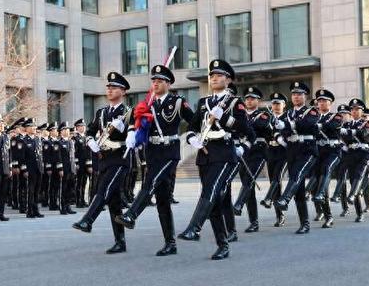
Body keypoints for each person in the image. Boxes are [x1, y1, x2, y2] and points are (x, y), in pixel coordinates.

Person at [114, 64, 194, 256]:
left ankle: (132, 214)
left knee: (149, 182)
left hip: (170, 151)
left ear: (168, 84)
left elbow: (195, 120)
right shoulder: (147, 104)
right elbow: (137, 122)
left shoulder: (178, 102)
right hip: (152, 152)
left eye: (160, 81)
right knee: (162, 200)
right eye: (154, 81)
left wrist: (192, 136)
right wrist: (133, 133)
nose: (155, 84)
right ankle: (170, 243)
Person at [177, 60, 250, 260]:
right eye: (211, 76)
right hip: (206, 155)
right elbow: (191, 126)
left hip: (225, 154)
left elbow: (246, 129)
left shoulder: (235, 103)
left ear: (228, 79)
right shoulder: (203, 103)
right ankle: (223, 244)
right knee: (215, 201)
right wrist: (193, 139)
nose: (214, 78)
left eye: (219, 75)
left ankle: (194, 228)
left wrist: (225, 118)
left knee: (211, 191)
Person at [72, 72, 135, 254]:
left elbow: (135, 133)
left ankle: (88, 220)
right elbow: (90, 131)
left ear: (123, 91)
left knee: (103, 189)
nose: (109, 90)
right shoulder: (101, 113)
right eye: (108, 87)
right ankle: (120, 242)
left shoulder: (129, 112)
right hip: (104, 160)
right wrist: (91, 141)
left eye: (114, 87)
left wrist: (125, 130)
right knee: (114, 203)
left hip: (120, 159)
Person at [275, 82, 320, 234]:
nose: (296, 97)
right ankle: (304, 223)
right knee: (299, 189)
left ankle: (284, 199)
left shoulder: (312, 111)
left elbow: (307, 124)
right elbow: (284, 131)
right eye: (294, 94)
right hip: (293, 151)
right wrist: (281, 134)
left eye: (299, 94)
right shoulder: (287, 113)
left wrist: (286, 125)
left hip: (307, 149)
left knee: (297, 174)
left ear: (305, 96)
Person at [232, 86, 271, 233]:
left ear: (258, 101)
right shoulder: (240, 115)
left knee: (249, 181)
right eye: (247, 98)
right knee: (248, 187)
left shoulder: (263, 114)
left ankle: (238, 205)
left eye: (252, 98)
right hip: (244, 152)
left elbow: (259, 125)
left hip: (258, 152)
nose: (249, 101)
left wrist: (241, 125)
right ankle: (254, 222)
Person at [310, 89, 344, 229]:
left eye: (324, 101)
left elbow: (333, 126)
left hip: (333, 151)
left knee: (327, 169)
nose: (321, 103)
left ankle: (320, 198)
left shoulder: (336, 116)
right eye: (319, 101)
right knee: (317, 181)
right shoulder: (313, 116)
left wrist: (318, 125)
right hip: (318, 152)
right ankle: (326, 214)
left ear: (330, 103)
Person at [340, 99, 369, 223]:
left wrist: (348, 133)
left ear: (362, 111)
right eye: (353, 109)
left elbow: (364, 134)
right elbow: (343, 138)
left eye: (357, 109)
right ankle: (359, 213)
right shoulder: (346, 125)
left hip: (364, 154)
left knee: (359, 175)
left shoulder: (368, 123)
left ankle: (352, 195)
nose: (355, 111)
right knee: (352, 180)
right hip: (351, 155)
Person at [259, 93, 289, 227]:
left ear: (284, 105)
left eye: (279, 103)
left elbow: (289, 131)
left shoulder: (288, 117)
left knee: (277, 178)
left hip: (284, 151)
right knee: (274, 182)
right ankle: (279, 215)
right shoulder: (268, 118)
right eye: (274, 104)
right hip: (271, 151)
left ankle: (268, 199)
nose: (276, 106)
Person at [21, 118, 45, 218]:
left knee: (37, 191)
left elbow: (40, 155)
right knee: (30, 191)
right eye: (31, 126)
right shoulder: (23, 141)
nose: (34, 128)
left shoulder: (37, 139)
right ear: (26, 128)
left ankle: (36, 210)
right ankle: (29, 210)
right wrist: (24, 169)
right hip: (30, 169)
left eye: (34, 126)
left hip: (38, 168)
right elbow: (21, 157)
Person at [58, 122, 77, 215]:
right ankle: (63, 207)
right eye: (65, 129)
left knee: (70, 188)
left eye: (68, 129)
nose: (67, 131)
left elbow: (73, 156)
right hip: (64, 168)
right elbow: (58, 157)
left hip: (71, 168)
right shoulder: (59, 142)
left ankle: (68, 205)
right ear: (61, 131)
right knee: (63, 188)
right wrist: (60, 168)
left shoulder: (71, 142)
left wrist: (74, 167)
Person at [73, 119, 90, 208]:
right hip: (79, 163)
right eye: (80, 126)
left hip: (86, 164)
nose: (82, 128)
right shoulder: (75, 138)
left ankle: (83, 199)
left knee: (84, 182)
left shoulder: (86, 137)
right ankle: (78, 201)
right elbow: (74, 152)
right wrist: (76, 163)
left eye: (83, 126)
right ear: (77, 128)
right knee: (79, 183)